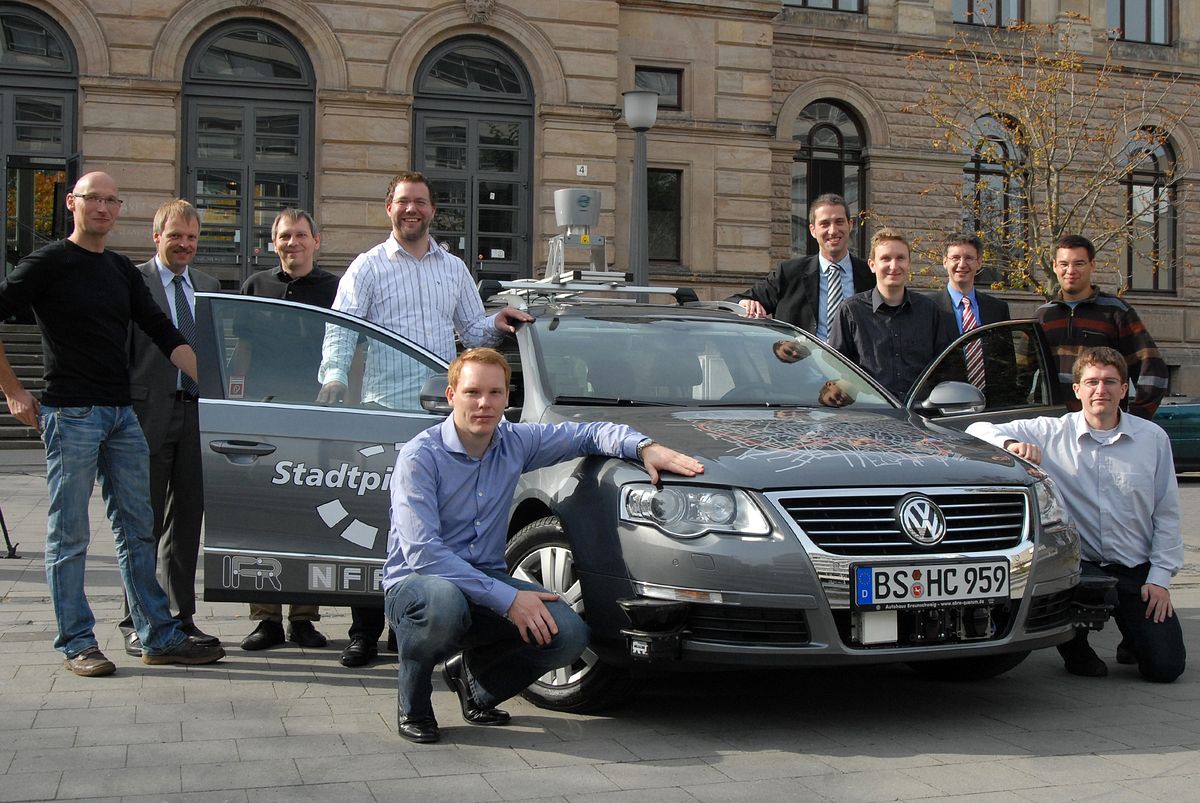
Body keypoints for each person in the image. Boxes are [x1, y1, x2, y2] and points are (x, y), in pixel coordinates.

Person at [385, 348, 705, 743]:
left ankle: (477, 686)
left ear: (507, 397)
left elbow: (589, 433)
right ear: (451, 396)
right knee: (443, 601)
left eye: (495, 393)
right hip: (419, 586)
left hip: (484, 580)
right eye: (472, 392)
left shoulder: (514, 441)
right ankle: (414, 703)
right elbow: (424, 554)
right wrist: (509, 599)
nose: (484, 403)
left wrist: (644, 448)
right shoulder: (421, 456)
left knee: (567, 634)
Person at [0, 172, 224, 676]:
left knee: (137, 530)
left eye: (110, 200)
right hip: (70, 414)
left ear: (119, 209)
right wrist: (14, 391)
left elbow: (166, 335)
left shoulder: (121, 271)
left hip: (123, 415)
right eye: (92, 199)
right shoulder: (49, 263)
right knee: (70, 534)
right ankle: (77, 641)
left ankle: (157, 634)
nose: (102, 208)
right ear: (72, 204)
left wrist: (224, 390)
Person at [317, 171, 532, 668]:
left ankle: (410, 626)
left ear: (432, 210)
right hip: (382, 412)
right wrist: (332, 379)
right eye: (402, 202)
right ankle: (363, 630)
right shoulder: (366, 268)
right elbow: (340, 331)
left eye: (420, 202)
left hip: (439, 416)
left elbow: (471, 329)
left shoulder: (453, 268)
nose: (411, 209)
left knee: (428, 528)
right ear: (387, 208)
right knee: (374, 525)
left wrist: (497, 322)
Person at [966, 347, 1184, 683]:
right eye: (1092, 381)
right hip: (1081, 568)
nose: (1101, 390)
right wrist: (1011, 445)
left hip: (1135, 567)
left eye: (1110, 382)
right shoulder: (1052, 432)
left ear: (1124, 389)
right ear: (1077, 389)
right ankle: (1076, 648)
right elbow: (976, 429)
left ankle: (1134, 636)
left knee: (1166, 668)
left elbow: (1168, 514)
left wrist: (1159, 580)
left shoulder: (1151, 438)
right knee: (1067, 581)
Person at [119, 199, 222, 656]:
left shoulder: (208, 284)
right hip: (145, 416)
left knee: (187, 521)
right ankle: (134, 616)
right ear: (156, 236)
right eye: (176, 235)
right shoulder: (132, 282)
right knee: (141, 520)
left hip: (197, 414)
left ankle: (180, 617)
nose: (184, 244)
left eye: (192, 237)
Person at [234, 208, 336, 652]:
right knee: (263, 514)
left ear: (317, 240)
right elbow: (243, 350)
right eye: (283, 237)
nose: (291, 243)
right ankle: (266, 619)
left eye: (299, 235)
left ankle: (305, 617)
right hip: (264, 415)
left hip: (315, 415)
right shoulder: (256, 286)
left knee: (310, 511)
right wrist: (235, 402)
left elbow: (349, 345)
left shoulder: (336, 288)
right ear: (272, 243)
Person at [1036, 234, 1167, 419]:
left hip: (1104, 428)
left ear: (1092, 265)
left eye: (1079, 263)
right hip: (1055, 429)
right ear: (1055, 267)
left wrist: (1136, 419)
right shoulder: (1043, 316)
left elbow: (1152, 369)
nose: (1070, 270)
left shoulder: (1116, 312)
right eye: (1064, 264)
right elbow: (1020, 376)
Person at [828, 229, 953, 398]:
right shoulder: (851, 311)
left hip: (921, 414)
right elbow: (837, 368)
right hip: (870, 414)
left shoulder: (929, 310)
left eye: (900, 258)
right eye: (886, 258)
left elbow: (944, 368)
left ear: (909, 263)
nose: (894, 266)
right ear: (872, 265)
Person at [728, 193, 872, 340]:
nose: (833, 230)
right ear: (812, 230)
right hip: (800, 361)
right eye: (825, 224)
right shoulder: (789, 273)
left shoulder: (871, 275)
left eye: (839, 222)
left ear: (850, 224)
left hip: (853, 363)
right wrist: (746, 303)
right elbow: (731, 302)